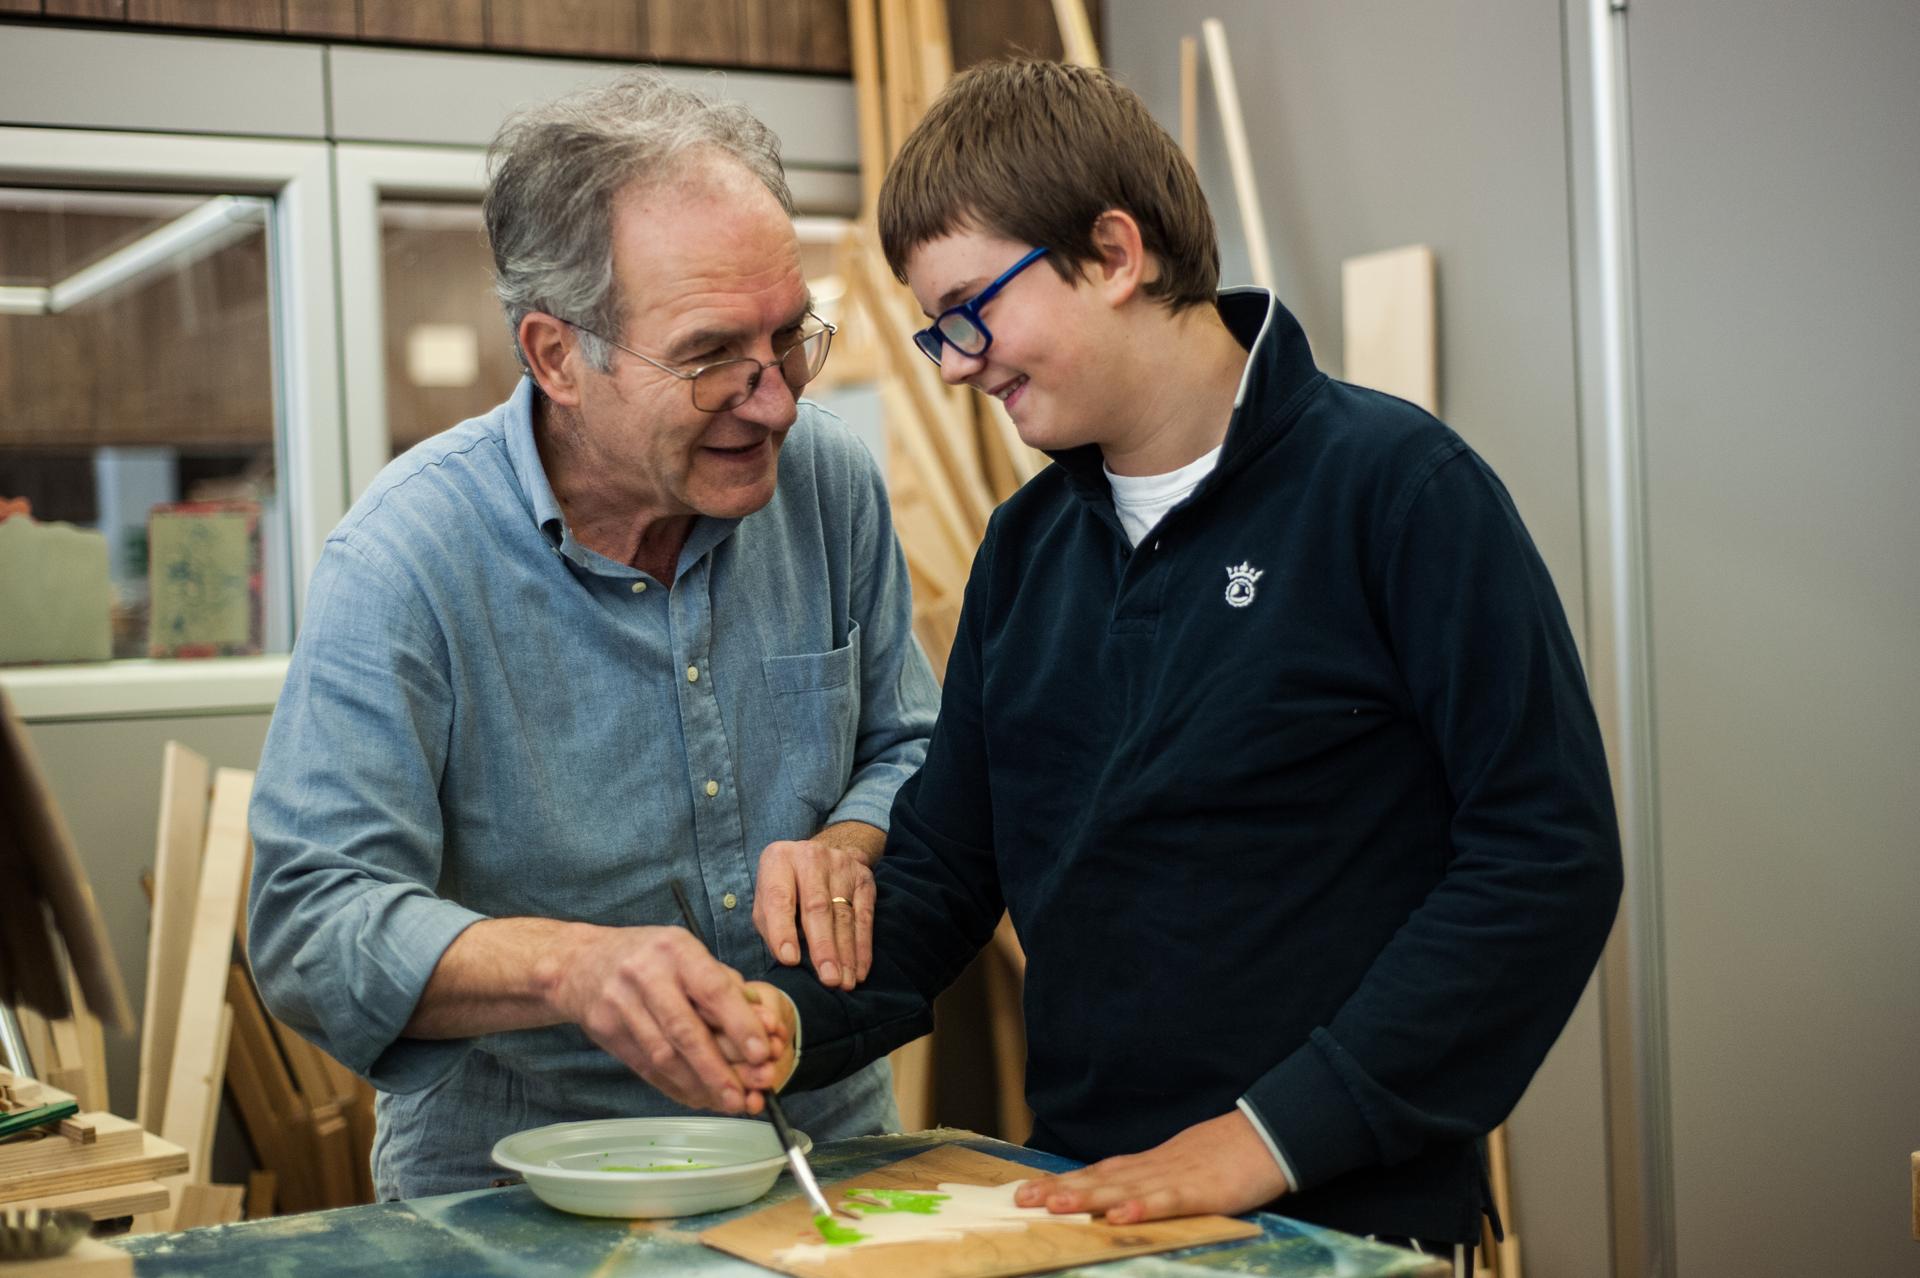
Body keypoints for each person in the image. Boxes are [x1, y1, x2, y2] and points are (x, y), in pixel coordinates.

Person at [709, 60, 1622, 1268]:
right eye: (938, 330)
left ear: (1115, 251)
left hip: (1344, 1216)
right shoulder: (1027, 551)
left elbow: (1543, 861)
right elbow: (944, 873)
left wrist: (1266, 1138)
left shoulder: (1399, 493)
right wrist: (779, 1020)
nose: (957, 365)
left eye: (972, 310)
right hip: (1084, 1207)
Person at [246, 72, 939, 1200]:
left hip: (822, 1151)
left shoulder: (828, 487)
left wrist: (852, 842)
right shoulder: (406, 559)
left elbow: (913, 745)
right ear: (558, 356)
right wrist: (567, 968)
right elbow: (311, 923)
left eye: (790, 337)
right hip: (517, 1192)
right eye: (713, 354)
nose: (772, 401)